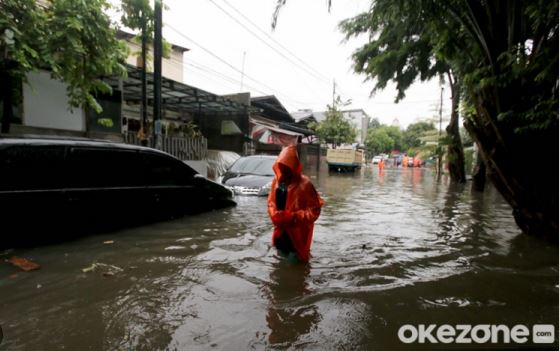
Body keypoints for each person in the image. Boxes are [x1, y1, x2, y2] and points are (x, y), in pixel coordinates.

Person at [267, 145, 324, 262]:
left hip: (297, 236)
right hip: (280, 233)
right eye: (281, 166)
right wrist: (274, 215)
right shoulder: (276, 182)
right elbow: (271, 202)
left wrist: (293, 217)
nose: (283, 170)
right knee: (279, 267)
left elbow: (314, 210)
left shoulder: (305, 184)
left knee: (294, 265)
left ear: (293, 167)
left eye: (286, 167)